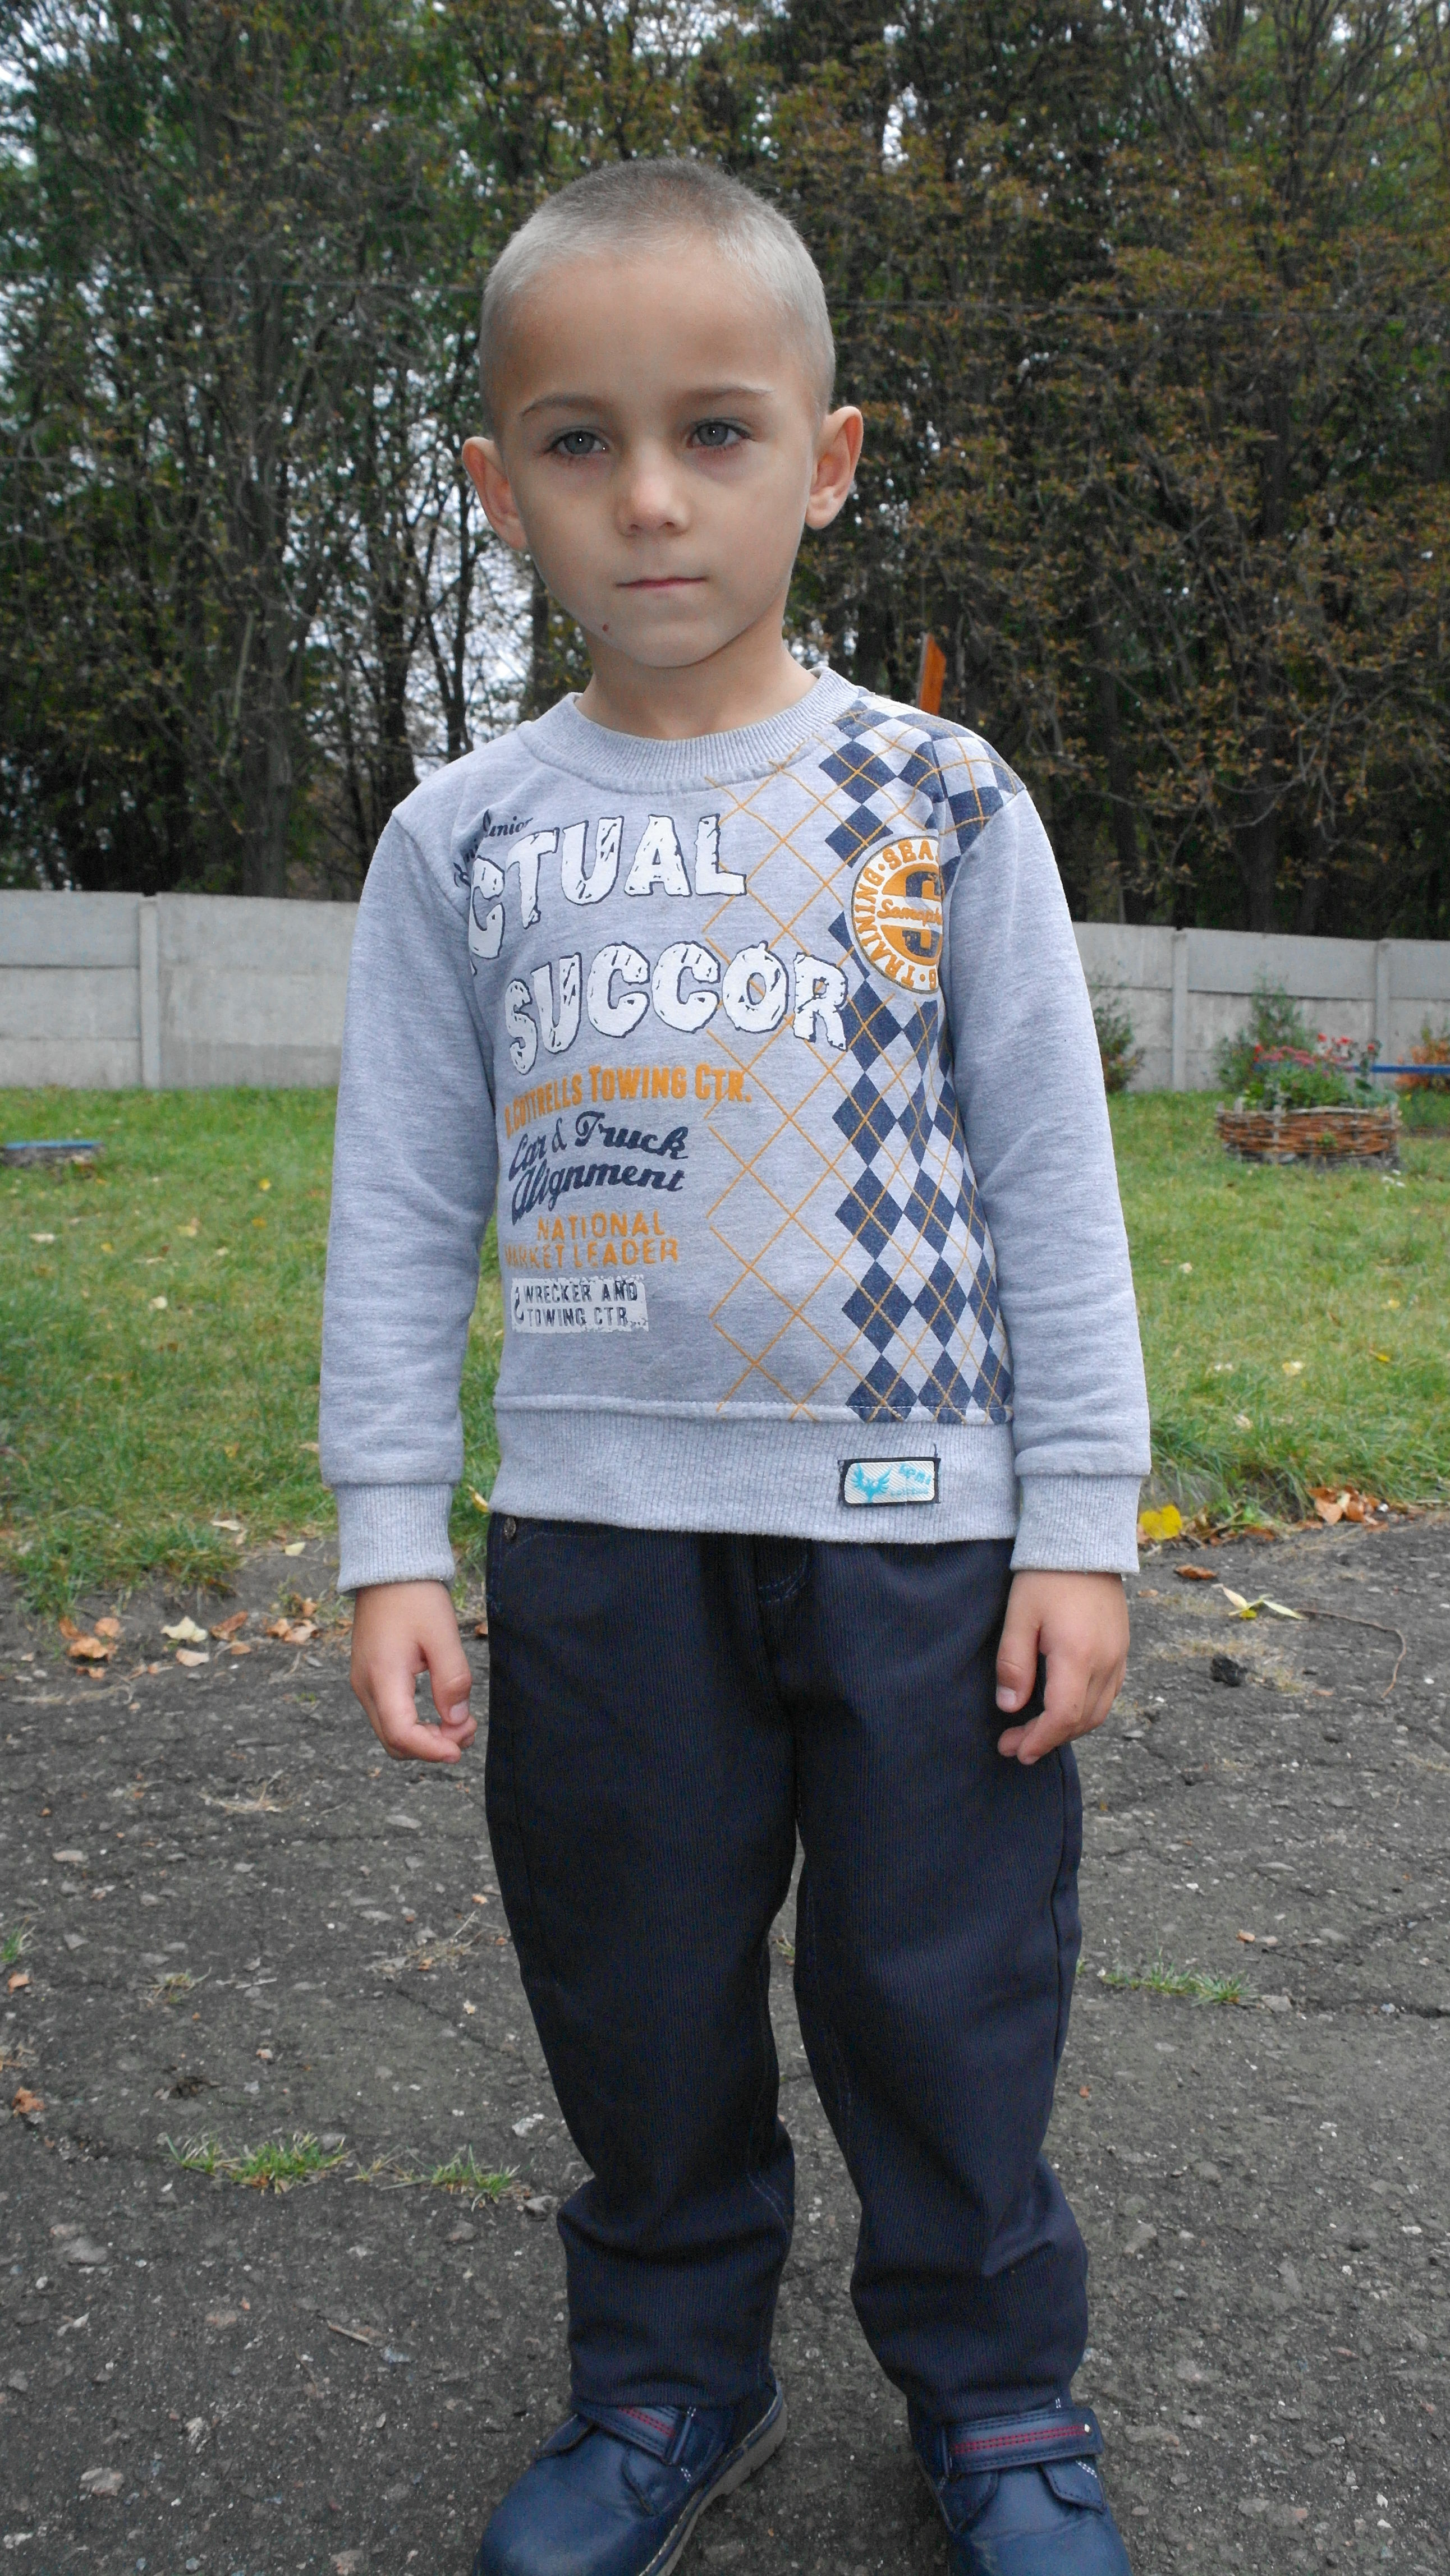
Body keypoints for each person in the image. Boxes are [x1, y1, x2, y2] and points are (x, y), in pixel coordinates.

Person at [320, 157, 1149, 2576]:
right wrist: (391, 1534)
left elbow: (1049, 1172)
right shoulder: (464, 838)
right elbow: (401, 1205)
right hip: (600, 1543)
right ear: (495, 484)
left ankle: (996, 2397)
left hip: (921, 1531)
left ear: (831, 455)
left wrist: (1080, 1521)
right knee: (637, 1990)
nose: (653, 498)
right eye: (577, 442)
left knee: (942, 1991)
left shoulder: (939, 801)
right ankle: (670, 2374)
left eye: (715, 430)